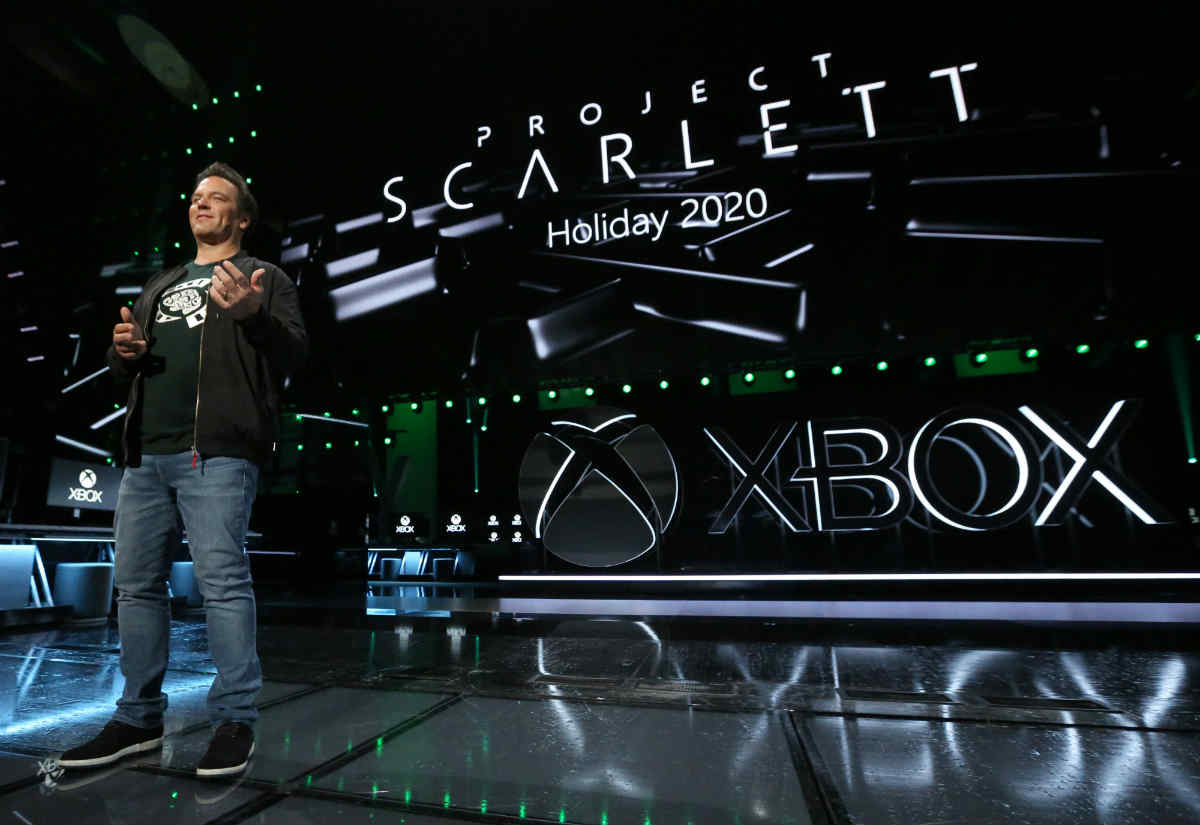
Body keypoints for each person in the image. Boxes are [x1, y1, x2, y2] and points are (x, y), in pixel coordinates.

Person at [59, 162, 308, 776]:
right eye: (197, 196)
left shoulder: (264, 276)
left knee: (222, 583)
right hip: (145, 455)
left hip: (217, 453)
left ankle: (234, 720)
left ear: (241, 218)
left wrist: (253, 314)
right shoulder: (162, 284)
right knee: (136, 586)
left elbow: (294, 354)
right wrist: (124, 354)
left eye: (216, 197)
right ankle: (138, 718)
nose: (201, 203)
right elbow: (126, 366)